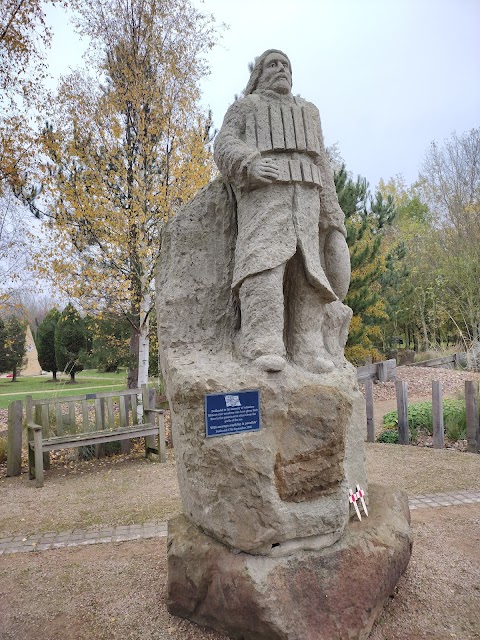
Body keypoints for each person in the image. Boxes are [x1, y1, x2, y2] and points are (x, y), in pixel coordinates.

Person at [214, 49, 351, 373]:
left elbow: (323, 166)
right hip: (265, 200)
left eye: (286, 65)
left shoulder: (309, 113)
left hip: (306, 203)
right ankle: (262, 344)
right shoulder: (244, 108)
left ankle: (307, 347)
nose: (281, 70)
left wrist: (333, 221)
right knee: (263, 269)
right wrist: (250, 163)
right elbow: (224, 144)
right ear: (258, 74)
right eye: (273, 64)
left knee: (309, 277)